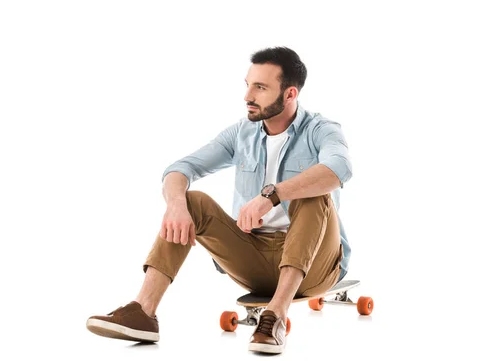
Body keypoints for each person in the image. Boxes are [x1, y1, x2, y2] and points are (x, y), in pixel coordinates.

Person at [86, 46, 352, 354]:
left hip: (316, 265)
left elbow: (339, 169)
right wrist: (176, 205)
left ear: (290, 93)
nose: (248, 96)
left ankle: (275, 318)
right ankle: (143, 313)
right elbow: (180, 169)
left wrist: (272, 195)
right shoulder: (242, 133)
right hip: (254, 258)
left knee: (312, 193)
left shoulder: (322, 130)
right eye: (248, 84)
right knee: (192, 200)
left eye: (261, 87)